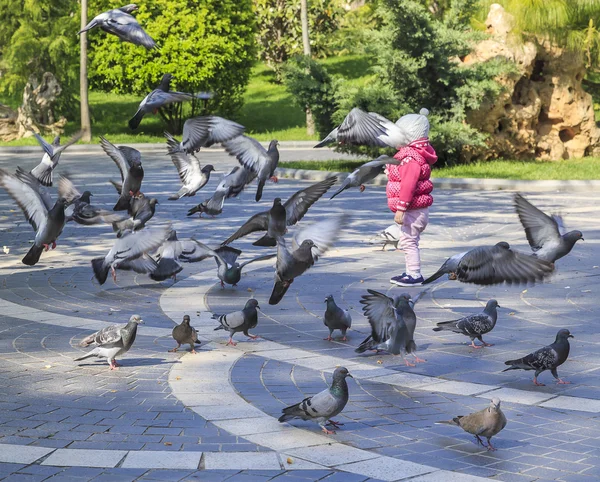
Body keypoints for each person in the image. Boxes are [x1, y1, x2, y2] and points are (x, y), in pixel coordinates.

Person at [385, 108, 438, 286]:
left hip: (411, 210)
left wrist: (401, 209)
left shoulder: (410, 160)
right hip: (417, 210)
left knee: (408, 241)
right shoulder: (411, 157)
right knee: (408, 240)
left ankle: (414, 274)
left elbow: (408, 185)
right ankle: (410, 270)